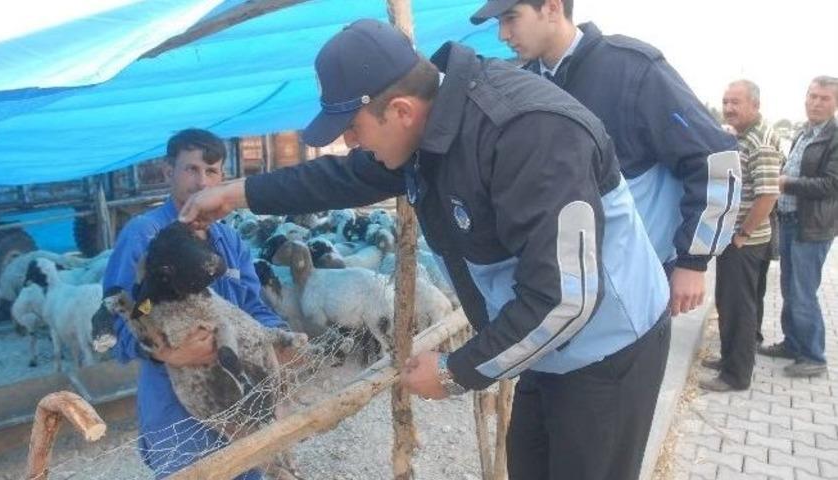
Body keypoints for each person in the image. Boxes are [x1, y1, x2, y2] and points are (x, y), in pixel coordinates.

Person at [180, 19, 671, 480]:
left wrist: (457, 371)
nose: (351, 143)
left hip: (605, 346)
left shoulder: (528, 133)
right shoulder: (429, 130)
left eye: (353, 129)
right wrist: (234, 194)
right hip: (543, 342)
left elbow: (567, 297)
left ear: (400, 111)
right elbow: (339, 179)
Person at [470, 0, 740, 317]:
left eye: (511, 18)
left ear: (553, 8)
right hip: (559, 295)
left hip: (635, 288)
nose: (503, 34)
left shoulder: (632, 69)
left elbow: (714, 160)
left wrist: (693, 261)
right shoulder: (521, 85)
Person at [103, 128, 286, 479]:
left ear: (223, 177)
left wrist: (277, 337)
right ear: (168, 171)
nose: (202, 182)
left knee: (252, 472)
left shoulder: (229, 239)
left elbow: (253, 304)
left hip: (241, 395)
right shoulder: (143, 235)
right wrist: (167, 354)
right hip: (179, 412)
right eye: (191, 169)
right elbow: (117, 317)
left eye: (212, 171)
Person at [699, 80, 783, 392]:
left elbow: (767, 196)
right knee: (737, 303)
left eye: (736, 102)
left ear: (755, 106)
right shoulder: (745, 136)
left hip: (745, 241)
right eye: (726, 102)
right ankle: (730, 357)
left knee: (738, 306)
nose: (729, 108)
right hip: (743, 238)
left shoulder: (758, 142)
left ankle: (735, 375)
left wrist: (742, 234)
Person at [758, 76, 838, 377]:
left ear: (835, 103)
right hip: (790, 222)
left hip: (812, 227)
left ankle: (814, 356)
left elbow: (831, 184)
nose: (816, 103)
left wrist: (785, 183)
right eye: (813, 96)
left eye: (824, 98)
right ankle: (793, 344)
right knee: (790, 288)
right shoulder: (805, 132)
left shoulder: (834, 136)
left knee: (803, 291)